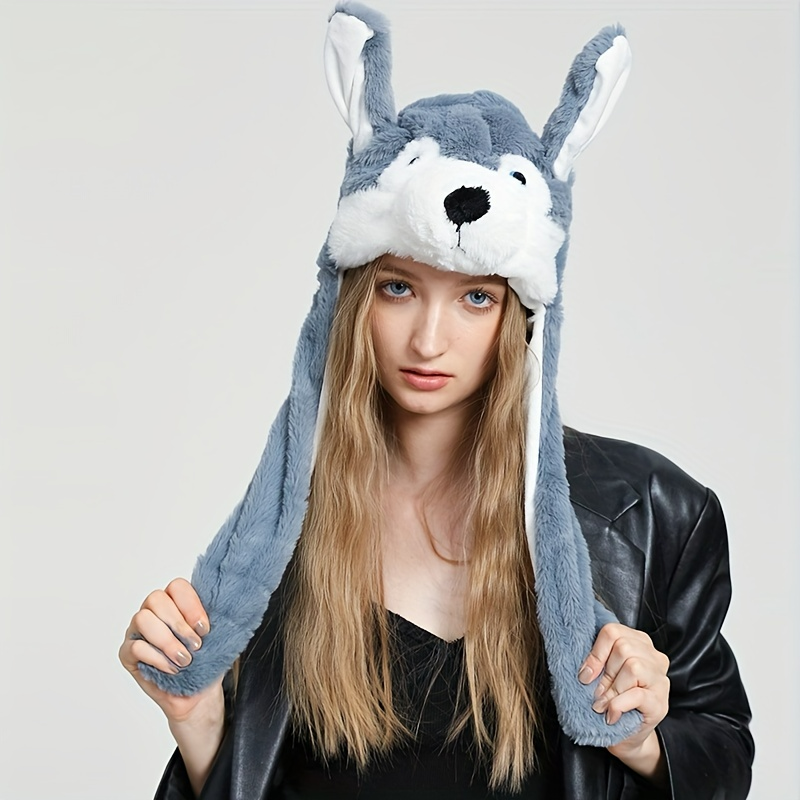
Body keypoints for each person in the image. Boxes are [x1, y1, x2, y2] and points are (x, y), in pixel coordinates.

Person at [119, 5, 753, 799]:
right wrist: (200, 724)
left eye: (476, 299)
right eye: (398, 288)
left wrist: (642, 741)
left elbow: (724, 756)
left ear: (523, 318)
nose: (427, 339)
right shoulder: (279, 533)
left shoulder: (654, 517)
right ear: (352, 299)